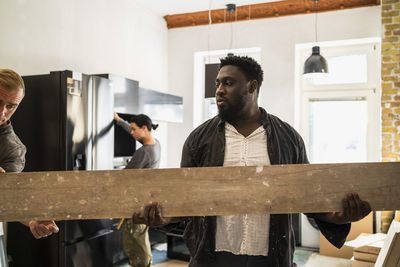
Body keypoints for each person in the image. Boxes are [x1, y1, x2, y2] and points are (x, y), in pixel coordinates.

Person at [130, 55, 372, 267]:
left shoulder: (288, 138)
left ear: (252, 86)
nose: (219, 90)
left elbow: (308, 200)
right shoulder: (199, 139)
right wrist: (163, 218)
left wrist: (339, 217)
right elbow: (187, 202)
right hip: (211, 258)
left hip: (270, 258)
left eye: (229, 82)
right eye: (218, 83)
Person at [0, 69, 59, 267]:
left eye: (11, 106)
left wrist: (32, 219)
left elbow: (13, 198)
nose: (2, 112)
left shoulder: (12, 148)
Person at [114, 112, 161, 267]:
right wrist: (120, 121)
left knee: (135, 243)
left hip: (136, 204)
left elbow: (125, 177)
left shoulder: (143, 153)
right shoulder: (156, 144)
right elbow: (134, 132)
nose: (131, 132)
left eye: (134, 129)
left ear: (144, 128)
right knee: (140, 238)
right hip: (145, 200)